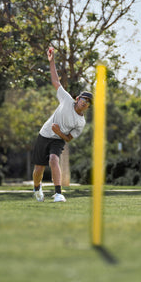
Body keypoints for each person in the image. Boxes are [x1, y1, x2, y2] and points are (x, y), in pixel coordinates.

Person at [32, 46, 93, 203]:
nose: (85, 103)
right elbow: (55, 81)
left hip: (58, 138)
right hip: (44, 134)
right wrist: (52, 61)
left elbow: (68, 139)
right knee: (39, 168)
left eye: (88, 103)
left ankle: (58, 194)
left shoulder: (81, 122)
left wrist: (58, 132)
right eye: (84, 99)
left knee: (53, 159)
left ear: (88, 107)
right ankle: (37, 188)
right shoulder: (66, 99)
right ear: (78, 98)